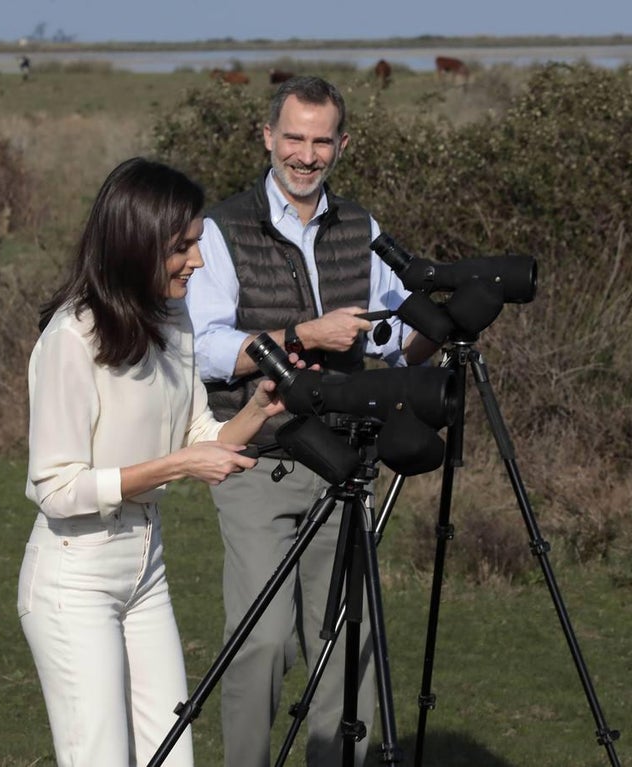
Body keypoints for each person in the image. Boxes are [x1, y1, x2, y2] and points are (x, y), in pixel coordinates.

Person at [185, 76, 438, 766]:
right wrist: (305, 334)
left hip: (348, 464)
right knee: (261, 639)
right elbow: (205, 347)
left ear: (342, 144)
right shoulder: (221, 227)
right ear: (267, 137)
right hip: (257, 460)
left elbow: (391, 337)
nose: (306, 154)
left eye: (321, 140)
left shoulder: (363, 229)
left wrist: (440, 324)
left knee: (348, 640)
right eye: (293, 137)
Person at [18, 157, 289, 767]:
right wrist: (175, 467)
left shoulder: (174, 317)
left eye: (196, 244)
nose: (197, 261)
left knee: (171, 756)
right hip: (74, 578)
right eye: (183, 247)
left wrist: (258, 412)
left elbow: (198, 431)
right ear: (136, 245)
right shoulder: (71, 338)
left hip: (146, 573)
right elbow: (56, 489)